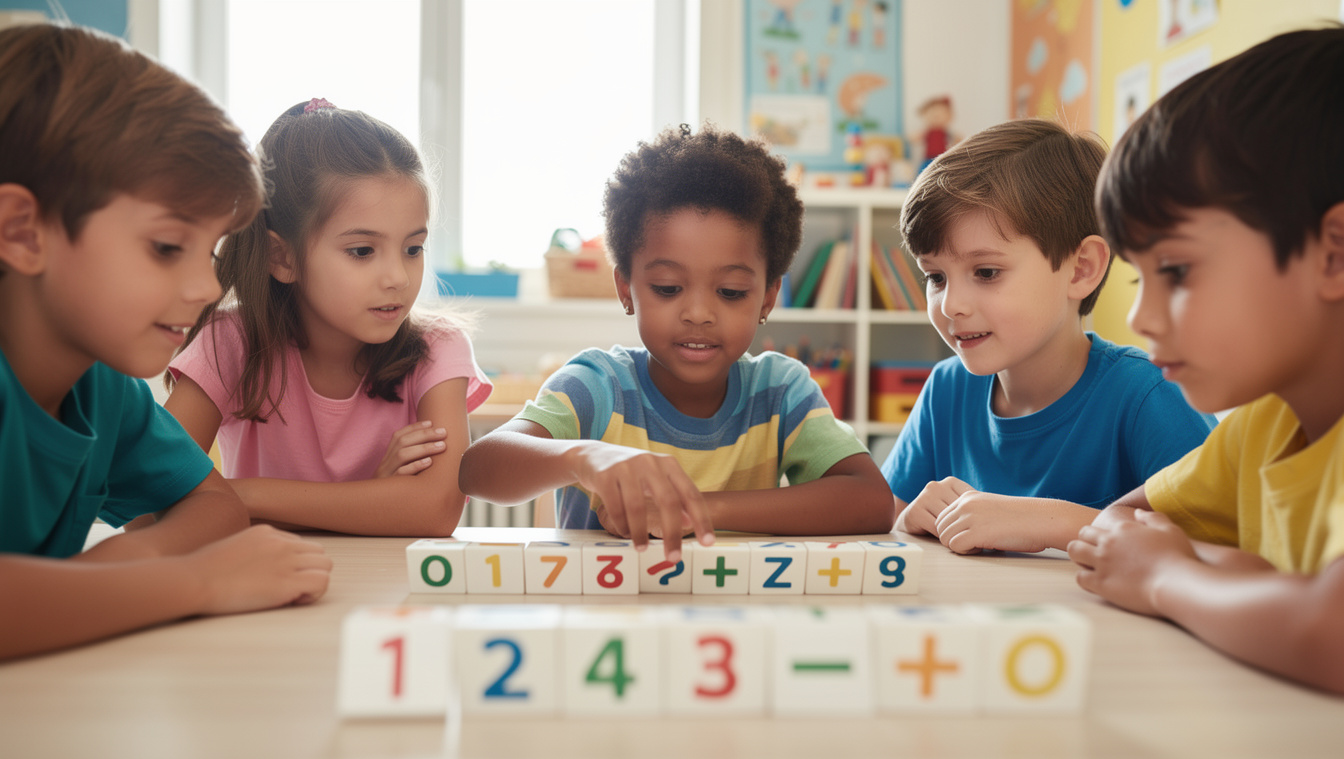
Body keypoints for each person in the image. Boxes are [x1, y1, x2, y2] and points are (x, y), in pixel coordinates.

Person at [0, 23, 331, 660]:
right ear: (23, 230)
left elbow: (215, 505)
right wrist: (190, 582)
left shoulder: (100, 388)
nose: (206, 286)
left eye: (208, 251)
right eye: (166, 247)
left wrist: (111, 576)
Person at [459, 124, 894, 562]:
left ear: (768, 297)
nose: (699, 313)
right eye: (668, 288)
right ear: (627, 289)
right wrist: (582, 457)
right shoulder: (597, 386)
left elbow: (871, 502)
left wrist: (696, 509)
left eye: (730, 292)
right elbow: (478, 469)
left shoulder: (780, 392)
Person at [1068, 26, 1344, 693]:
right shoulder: (1263, 425)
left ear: (1334, 254)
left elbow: (1332, 636)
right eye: (1140, 278)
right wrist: (1252, 582)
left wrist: (1170, 577)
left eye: (1179, 271)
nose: (1139, 318)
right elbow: (1117, 525)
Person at [882, 118, 1216, 555]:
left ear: (1081, 269)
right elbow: (887, 523)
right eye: (936, 277)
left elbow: (1225, 549)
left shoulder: (1147, 394)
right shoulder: (946, 389)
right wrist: (907, 520)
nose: (951, 305)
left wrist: (1053, 522)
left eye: (986, 272)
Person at [164, 100, 491, 537]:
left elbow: (435, 509)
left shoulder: (438, 348)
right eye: (362, 252)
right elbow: (149, 504)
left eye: (413, 248)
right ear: (282, 257)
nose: (397, 277)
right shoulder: (230, 344)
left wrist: (234, 496)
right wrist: (375, 498)